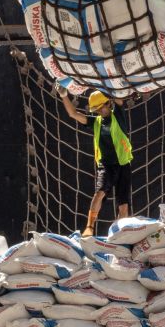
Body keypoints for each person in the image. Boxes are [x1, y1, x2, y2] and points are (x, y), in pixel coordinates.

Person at [59, 89, 134, 236]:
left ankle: (119, 236)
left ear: (108, 103)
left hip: (123, 164)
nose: (99, 111)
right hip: (105, 164)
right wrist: (63, 95)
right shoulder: (95, 122)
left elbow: (119, 99)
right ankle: (89, 227)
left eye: (101, 107)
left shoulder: (118, 116)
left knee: (123, 205)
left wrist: (109, 87)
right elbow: (73, 114)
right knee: (99, 193)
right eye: (97, 109)